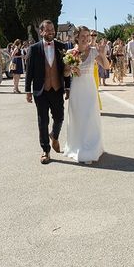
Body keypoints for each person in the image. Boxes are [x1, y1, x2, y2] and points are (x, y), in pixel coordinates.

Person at [25, 20, 70, 164]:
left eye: (52, 29)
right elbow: (29, 71)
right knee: (42, 121)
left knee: (60, 117)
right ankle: (45, 150)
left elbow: (67, 69)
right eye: (48, 30)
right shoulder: (34, 49)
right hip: (41, 91)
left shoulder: (62, 47)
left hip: (57, 89)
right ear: (41, 32)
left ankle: (54, 136)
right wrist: (28, 91)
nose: (51, 32)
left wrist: (68, 87)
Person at [63, 26, 110, 164]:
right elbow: (65, 73)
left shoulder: (94, 51)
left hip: (89, 90)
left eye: (87, 35)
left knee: (90, 117)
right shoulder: (70, 52)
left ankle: (90, 149)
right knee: (78, 118)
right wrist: (71, 69)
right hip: (76, 90)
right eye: (83, 36)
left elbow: (106, 67)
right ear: (76, 37)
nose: (85, 38)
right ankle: (78, 147)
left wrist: (102, 54)